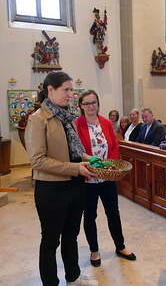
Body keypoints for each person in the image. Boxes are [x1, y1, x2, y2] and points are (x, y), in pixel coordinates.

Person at [25, 72, 98, 286]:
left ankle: (73, 277)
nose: (71, 94)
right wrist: (75, 168)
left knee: (71, 236)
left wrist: (87, 157)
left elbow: (72, 151)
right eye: (66, 89)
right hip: (51, 190)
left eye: (71, 89)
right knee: (50, 241)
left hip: (75, 186)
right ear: (50, 90)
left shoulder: (67, 117)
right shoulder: (38, 119)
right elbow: (37, 161)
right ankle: (50, 282)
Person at [76, 90, 136, 268]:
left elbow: (114, 145)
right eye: (87, 103)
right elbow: (76, 150)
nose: (91, 106)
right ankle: (94, 250)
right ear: (81, 106)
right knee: (90, 216)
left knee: (113, 213)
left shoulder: (105, 123)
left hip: (107, 177)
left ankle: (120, 246)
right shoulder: (77, 124)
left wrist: (108, 166)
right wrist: (91, 165)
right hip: (88, 177)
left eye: (94, 102)